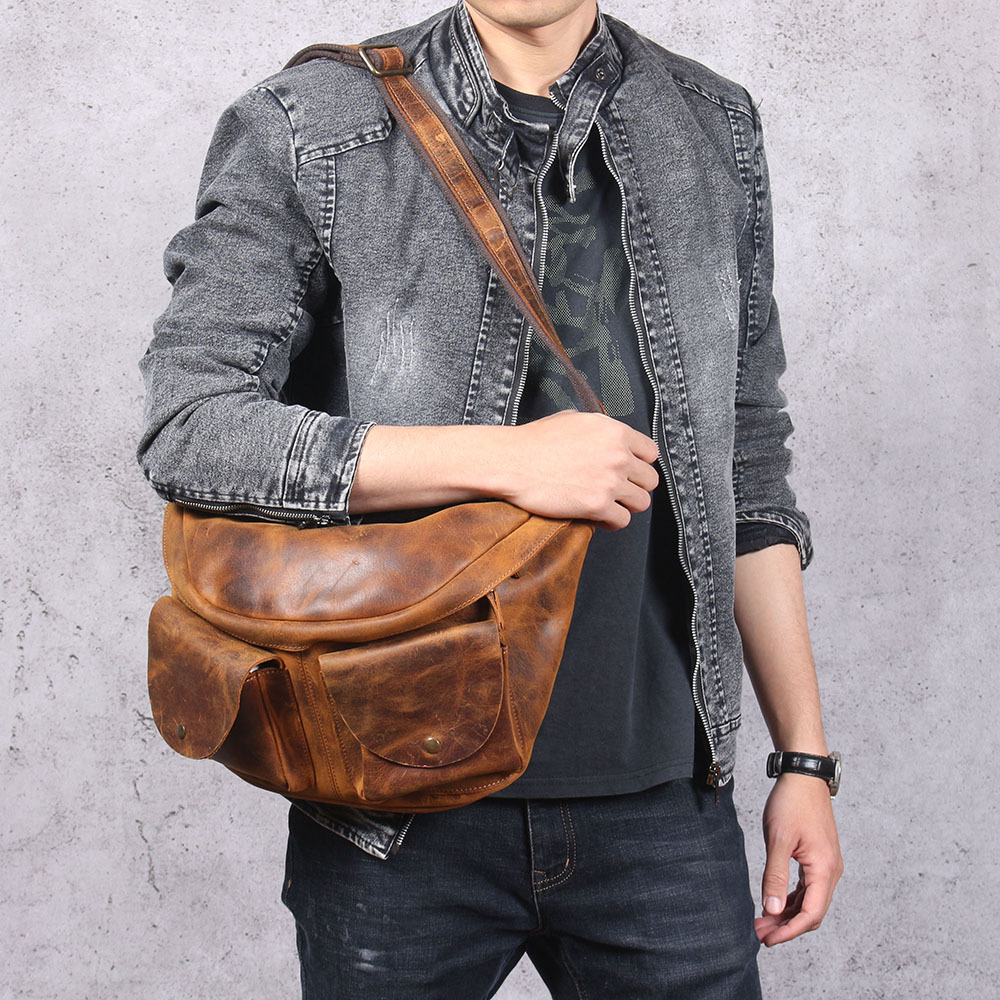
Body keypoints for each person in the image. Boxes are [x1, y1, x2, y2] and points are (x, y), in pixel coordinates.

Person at [137, 1, 844, 996]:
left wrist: (803, 761)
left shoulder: (709, 123)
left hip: (662, 799)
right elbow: (193, 425)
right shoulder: (312, 121)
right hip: (392, 799)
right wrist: (503, 461)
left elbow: (748, 466)